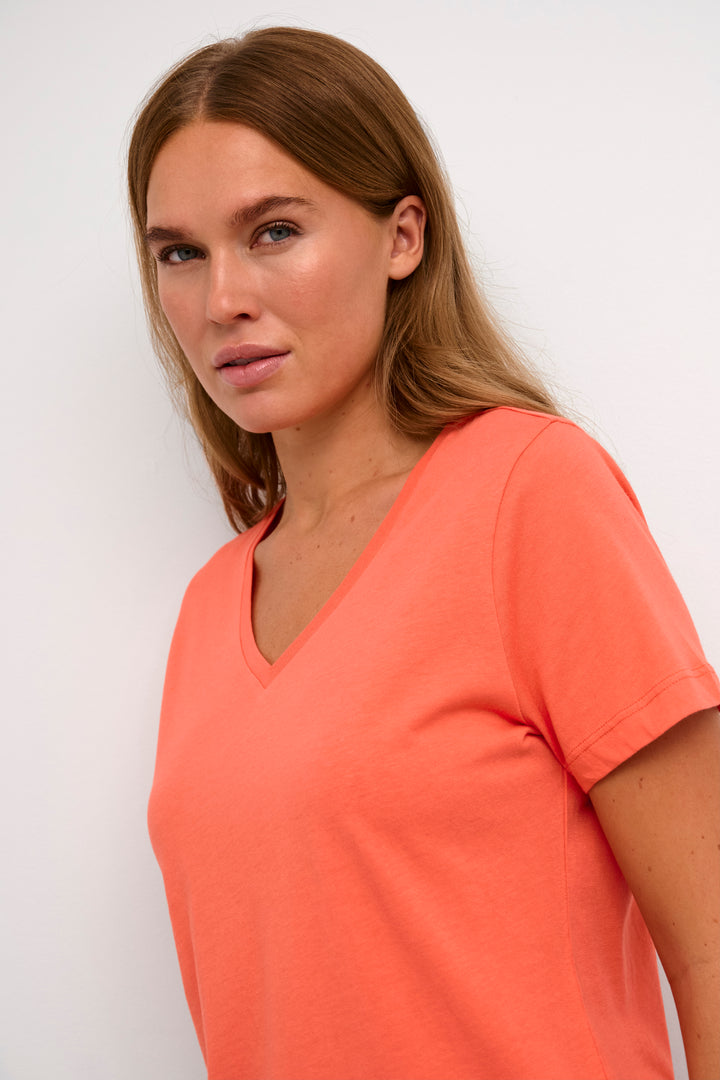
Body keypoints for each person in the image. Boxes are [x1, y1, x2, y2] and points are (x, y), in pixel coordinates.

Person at [128, 26, 720, 1080]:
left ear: (403, 236)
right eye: (180, 252)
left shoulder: (528, 493)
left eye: (273, 231)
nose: (222, 300)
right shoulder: (210, 606)